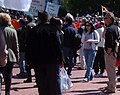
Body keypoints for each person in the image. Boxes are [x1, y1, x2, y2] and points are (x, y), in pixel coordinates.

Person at [26, 11, 64, 95]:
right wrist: (61, 59)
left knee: (41, 83)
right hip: (52, 60)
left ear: (39, 19)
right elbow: (58, 46)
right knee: (53, 82)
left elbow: (29, 47)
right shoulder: (53, 30)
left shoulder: (34, 31)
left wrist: (29, 60)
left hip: (38, 61)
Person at [0, 13, 19, 95]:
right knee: (8, 75)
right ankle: (7, 92)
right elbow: (16, 45)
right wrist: (17, 57)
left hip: (1, 55)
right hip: (11, 56)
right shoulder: (12, 31)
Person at [99, 12, 118, 94]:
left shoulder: (110, 29)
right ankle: (110, 85)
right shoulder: (115, 27)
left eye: (105, 18)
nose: (104, 20)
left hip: (110, 51)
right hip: (114, 51)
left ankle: (112, 87)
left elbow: (110, 42)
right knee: (110, 70)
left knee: (110, 70)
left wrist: (108, 51)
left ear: (110, 19)